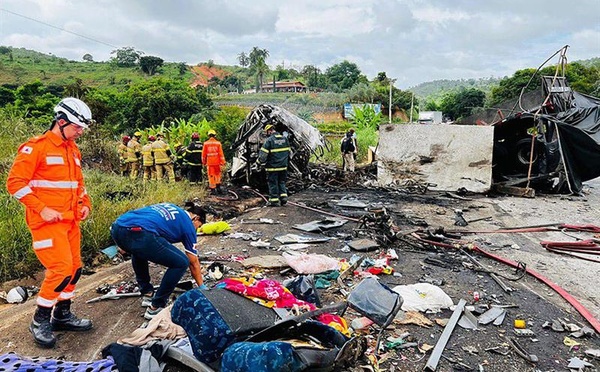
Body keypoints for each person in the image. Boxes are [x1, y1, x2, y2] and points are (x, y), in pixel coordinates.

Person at [6, 97, 94, 348]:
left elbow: (78, 184)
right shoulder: (36, 148)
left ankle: (62, 315)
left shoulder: (72, 149)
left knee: (75, 268)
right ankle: (39, 319)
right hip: (46, 223)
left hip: (69, 221)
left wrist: (85, 204)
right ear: (61, 121)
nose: (80, 132)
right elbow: (15, 184)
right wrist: (42, 209)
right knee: (61, 269)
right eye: (77, 127)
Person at [110, 202, 206, 320]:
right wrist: (202, 286)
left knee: (139, 250)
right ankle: (156, 307)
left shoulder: (170, 206)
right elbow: (193, 262)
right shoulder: (188, 226)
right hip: (139, 232)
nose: (197, 229)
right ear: (196, 218)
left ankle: (147, 293)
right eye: (199, 226)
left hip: (118, 227)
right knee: (181, 263)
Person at [257, 124, 290, 207]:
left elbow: (263, 156)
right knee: (282, 182)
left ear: (270, 131)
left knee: (273, 183)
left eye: (267, 132)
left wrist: (259, 162)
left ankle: (274, 200)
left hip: (273, 168)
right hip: (283, 166)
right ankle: (283, 198)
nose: (266, 134)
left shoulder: (269, 141)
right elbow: (289, 153)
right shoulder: (284, 139)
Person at [202, 129, 226, 194]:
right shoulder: (218, 143)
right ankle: (218, 188)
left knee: (211, 175)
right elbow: (221, 154)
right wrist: (223, 162)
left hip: (210, 163)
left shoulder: (206, 143)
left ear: (209, 135)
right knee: (217, 175)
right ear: (215, 135)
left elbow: (203, 155)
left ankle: (213, 189)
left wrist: (204, 162)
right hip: (217, 163)